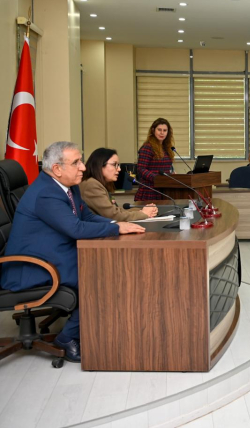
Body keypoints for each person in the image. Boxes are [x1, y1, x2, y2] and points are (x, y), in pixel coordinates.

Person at [0, 142, 145, 362]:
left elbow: (86, 217)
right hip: (28, 267)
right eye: (76, 162)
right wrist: (117, 228)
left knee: (105, 266)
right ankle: (67, 338)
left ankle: (100, 328)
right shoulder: (46, 193)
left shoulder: (69, 186)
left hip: (51, 254)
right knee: (100, 276)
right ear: (57, 169)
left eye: (81, 161)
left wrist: (116, 223)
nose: (83, 167)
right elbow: (75, 229)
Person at [80, 147, 158, 221]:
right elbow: (113, 215)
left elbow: (117, 211)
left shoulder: (97, 183)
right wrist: (143, 213)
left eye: (118, 165)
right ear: (99, 165)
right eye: (114, 165)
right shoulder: (91, 185)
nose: (119, 169)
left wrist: (143, 210)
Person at [134, 117, 174, 201]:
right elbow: (141, 169)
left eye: (164, 130)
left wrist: (171, 174)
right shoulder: (147, 147)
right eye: (159, 130)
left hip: (164, 189)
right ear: (153, 130)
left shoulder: (167, 148)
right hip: (149, 190)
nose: (162, 133)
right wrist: (156, 178)